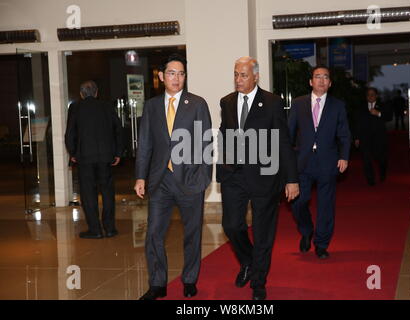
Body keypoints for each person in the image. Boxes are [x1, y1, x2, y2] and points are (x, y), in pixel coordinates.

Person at [217, 56, 299, 300]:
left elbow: (283, 141)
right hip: (234, 175)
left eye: (243, 75)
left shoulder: (273, 103)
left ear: (255, 76)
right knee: (231, 225)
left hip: (265, 176)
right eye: (235, 74)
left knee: (263, 232)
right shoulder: (227, 102)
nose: (238, 79)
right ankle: (249, 261)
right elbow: (225, 133)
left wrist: (291, 179)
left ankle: (258, 282)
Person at [134, 54, 212, 300]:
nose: (176, 78)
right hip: (160, 182)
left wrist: (203, 177)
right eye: (171, 73)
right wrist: (140, 177)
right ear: (161, 76)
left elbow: (206, 142)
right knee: (154, 233)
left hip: (190, 181)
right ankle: (157, 283)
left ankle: (189, 280)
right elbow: (145, 144)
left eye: (181, 74)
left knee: (192, 234)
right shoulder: (152, 106)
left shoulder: (197, 104)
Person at [288, 66, 351, 260]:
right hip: (303, 162)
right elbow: (288, 134)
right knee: (298, 202)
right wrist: (287, 161)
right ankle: (306, 230)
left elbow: (344, 134)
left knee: (325, 206)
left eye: (325, 77)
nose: (321, 80)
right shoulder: (298, 104)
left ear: (330, 83)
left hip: (328, 161)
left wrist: (344, 156)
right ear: (311, 81)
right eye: (317, 77)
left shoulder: (338, 105)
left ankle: (321, 244)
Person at [65, 80, 123, 239]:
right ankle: (110, 228)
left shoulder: (75, 107)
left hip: (84, 157)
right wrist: (118, 152)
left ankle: (95, 230)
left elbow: (70, 133)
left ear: (82, 94)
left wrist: (73, 153)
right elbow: (118, 129)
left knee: (88, 193)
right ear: (97, 93)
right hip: (106, 157)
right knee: (107, 192)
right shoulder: (107, 106)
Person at [354, 87, 391, 186]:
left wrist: (378, 113)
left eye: (372, 94)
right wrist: (357, 137)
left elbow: (389, 117)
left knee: (381, 159)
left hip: (379, 138)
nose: (370, 96)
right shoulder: (361, 107)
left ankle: (382, 174)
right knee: (366, 159)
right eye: (368, 95)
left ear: (376, 96)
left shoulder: (382, 105)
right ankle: (370, 180)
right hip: (365, 138)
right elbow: (358, 122)